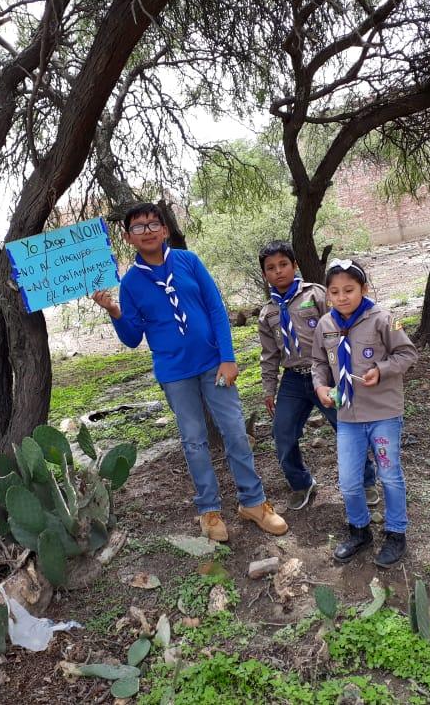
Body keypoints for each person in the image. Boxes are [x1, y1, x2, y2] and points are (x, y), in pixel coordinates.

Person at [91, 202, 288, 543]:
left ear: (165, 229)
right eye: (138, 227)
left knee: (235, 432)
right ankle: (208, 510)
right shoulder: (132, 284)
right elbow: (132, 337)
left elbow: (214, 308)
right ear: (128, 237)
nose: (148, 231)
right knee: (194, 441)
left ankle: (253, 503)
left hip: (214, 365)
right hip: (175, 373)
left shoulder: (188, 262)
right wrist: (113, 311)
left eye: (154, 224)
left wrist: (227, 357)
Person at [257, 240, 380, 510]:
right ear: (265, 274)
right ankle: (302, 483)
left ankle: (366, 481)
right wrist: (269, 389)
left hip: (326, 374)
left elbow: (342, 324)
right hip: (293, 378)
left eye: (283, 264)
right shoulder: (268, 313)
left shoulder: (316, 295)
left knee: (347, 427)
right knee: (283, 433)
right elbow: (269, 356)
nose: (278, 271)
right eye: (271, 268)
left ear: (294, 265)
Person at [312, 259, 419, 567]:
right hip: (348, 417)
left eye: (349, 290)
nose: (342, 297)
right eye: (335, 291)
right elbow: (319, 363)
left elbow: (408, 353)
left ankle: (396, 533)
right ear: (328, 294)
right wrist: (320, 387)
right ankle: (359, 530)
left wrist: (382, 370)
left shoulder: (383, 319)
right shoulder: (325, 325)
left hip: (383, 413)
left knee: (389, 475)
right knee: (348, 481)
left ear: (364, 289)